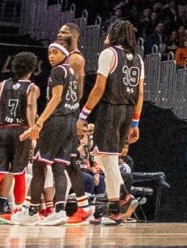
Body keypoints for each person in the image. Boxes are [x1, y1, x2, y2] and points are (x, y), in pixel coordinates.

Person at [80, 17, 145, 225]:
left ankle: (117, 206)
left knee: (107, 161)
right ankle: (122, 197)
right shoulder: (138, 58)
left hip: (111, 109)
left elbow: (99, 88)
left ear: (114, 34)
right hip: (128, 111)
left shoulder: (109, 54)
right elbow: (140, 93)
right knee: (104, 158)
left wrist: (83, 115)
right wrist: (135, 122)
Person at [33, 39, 85, 222]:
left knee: (38, 164)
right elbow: (76, 99)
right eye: (49, 53)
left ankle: (31, 211)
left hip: (57, 120)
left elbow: (55, 98)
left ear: (65, 54)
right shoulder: (72, 72)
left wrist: (39, 122)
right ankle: (59, 210)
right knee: (58, 166)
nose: (51, 56)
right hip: (70, 120)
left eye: (55, 52)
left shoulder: (57, 71)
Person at [0, 52, 40, 223]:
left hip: (2, 130)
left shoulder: (2, 85)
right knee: (19, 172)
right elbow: (30, 106)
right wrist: (32, 129)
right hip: (21, 131)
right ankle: (18, 209)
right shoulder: (32, 87)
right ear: (32, 68)